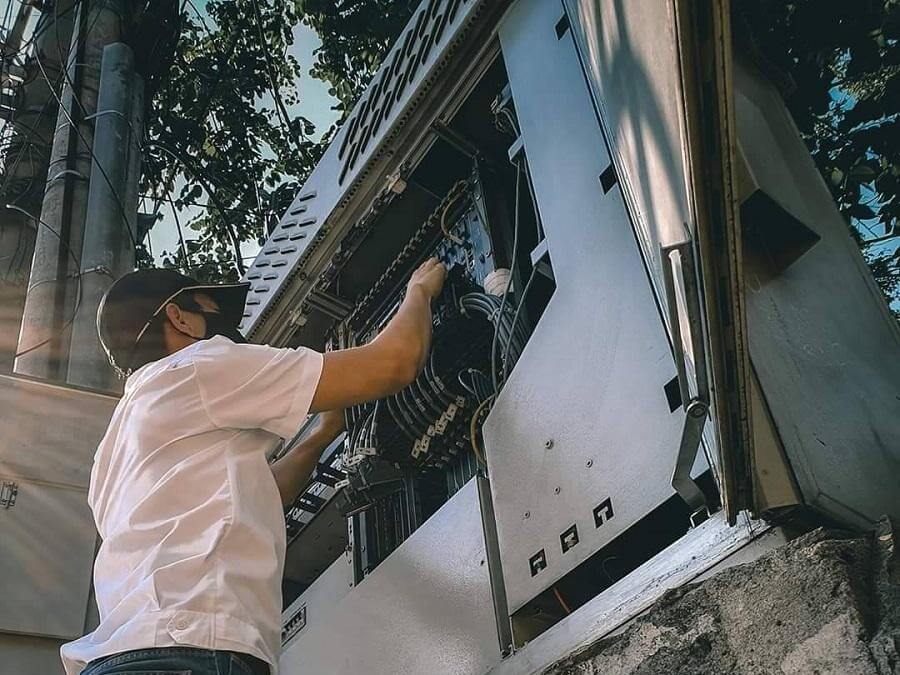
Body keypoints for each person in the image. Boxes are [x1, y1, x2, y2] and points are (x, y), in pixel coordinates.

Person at [60, 258, 447, 675]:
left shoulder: (113, 449)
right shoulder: (197, 365)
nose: (224, 329)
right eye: (209, 310)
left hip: (120, 660)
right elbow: (392, 363)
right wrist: (419, 291)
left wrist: (320, 435)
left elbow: (246, 496)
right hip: (191, 650)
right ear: (179, 317)